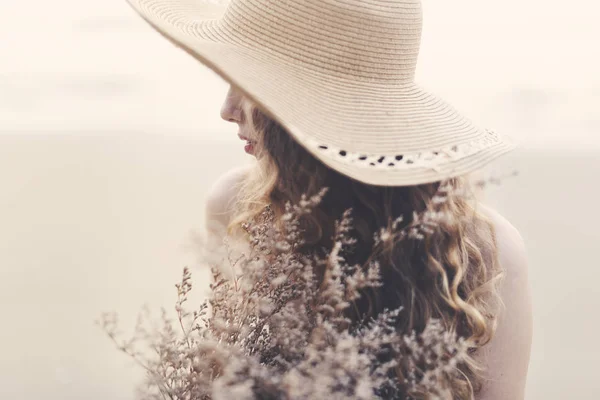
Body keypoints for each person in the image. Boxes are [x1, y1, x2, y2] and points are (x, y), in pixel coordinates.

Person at [126, 0, 533, 398]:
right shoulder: (235, 207)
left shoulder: (481, 253)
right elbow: (221, 380)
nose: (227, 109)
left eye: (249, 84)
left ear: (300, 105)